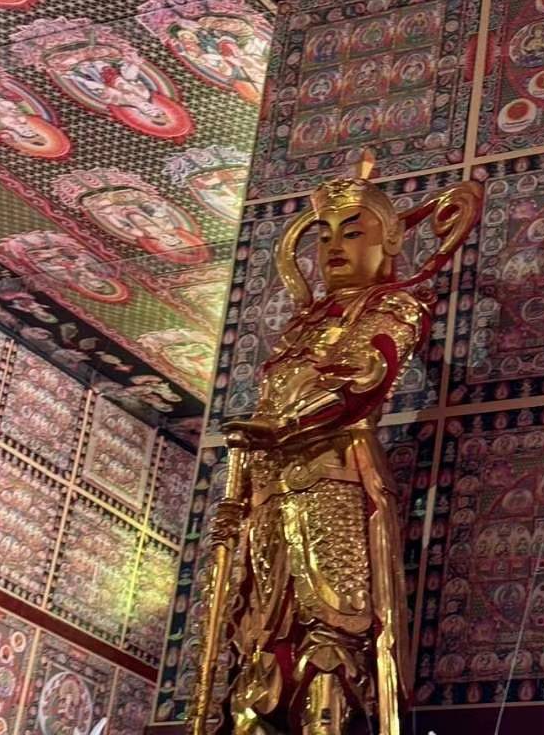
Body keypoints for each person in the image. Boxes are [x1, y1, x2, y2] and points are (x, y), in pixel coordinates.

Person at [188, 155, 480, 735]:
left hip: (336, 476)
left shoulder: (394, 305)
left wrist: (285, 426)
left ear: (388, 241)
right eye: (323, 236)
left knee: (334, 626)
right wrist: (238, 495)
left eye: (352, 232)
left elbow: (365, 378)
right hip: (269, 491)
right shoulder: (300, 326)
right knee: (259, 633)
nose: (334, 247)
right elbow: (268, 404)